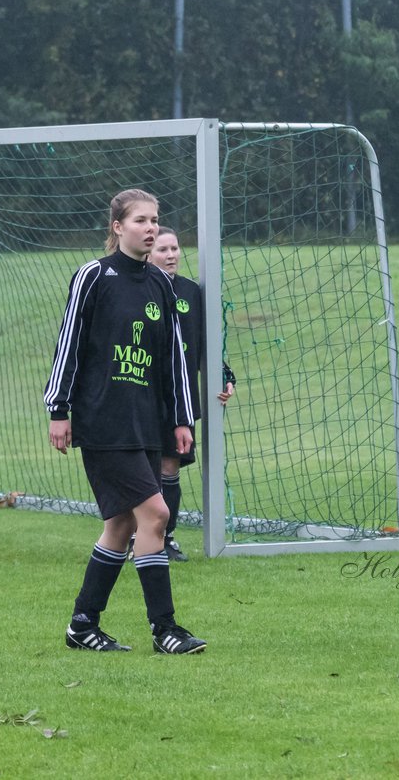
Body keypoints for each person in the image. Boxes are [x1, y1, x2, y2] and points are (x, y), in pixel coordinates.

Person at [44, 188, 207, 655]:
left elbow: (174, 359)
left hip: (145, 423)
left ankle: (82, 623)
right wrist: (59, 410)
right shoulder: (94, 276)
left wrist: (181, 418)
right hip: (102, 420)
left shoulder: (160, 284)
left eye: (155, 220)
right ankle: (165, 629)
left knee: (119, 526)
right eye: (140, 220)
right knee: (155, 514)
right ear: (117, 227)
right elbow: (69, 343)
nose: (151, 227)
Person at [149, 226, 236, 562]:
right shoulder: (137, 289)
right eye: (163, 250)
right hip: (142, 396)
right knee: (142, 471)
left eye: (174, 249)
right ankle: (134, 538)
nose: (171, 255)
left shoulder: (191, 292)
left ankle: (165, 539)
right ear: (149, 253)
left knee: (169, 469)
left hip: (179, 400)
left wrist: (225, 376)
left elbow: (204, 344)